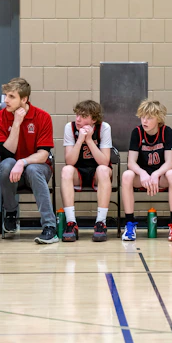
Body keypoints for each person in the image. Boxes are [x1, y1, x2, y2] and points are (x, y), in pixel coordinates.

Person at [0, 77, 58, 244]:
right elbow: (7, 153)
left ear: (24, 99)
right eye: (6, 95)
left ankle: (50, 227)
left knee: (33, 169)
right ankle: (11, 212)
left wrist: (23, 162)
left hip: (37, 169)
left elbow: (43, 155)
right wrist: (17, 123)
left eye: (11, 96)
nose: (6, 100)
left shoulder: (43, 117)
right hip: (11, 172)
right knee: (7, 164)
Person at [121, 99, 172, 241]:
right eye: (143, 117)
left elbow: (170, 162)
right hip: (142, 178)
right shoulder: (137, 132)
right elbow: (131, 162)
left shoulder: (167, 132)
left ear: (158, 119)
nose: (144, 121)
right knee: (127, 175)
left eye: (149, 118)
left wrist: (156, 174)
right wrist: (142, 173)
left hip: (160, 176)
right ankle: (129, 224)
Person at [60, 100, 113, 242]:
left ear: (93, 119)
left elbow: (104, 161)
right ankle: (71, 223)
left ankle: (100, 222)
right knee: (66, 170)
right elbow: (69, 161)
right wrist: (79, 140)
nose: (78, 119)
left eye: (83, 116)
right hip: (78, 171)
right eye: (77, 114)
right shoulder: (70, 128)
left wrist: (89, 140)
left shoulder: (104, 128)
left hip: (98, 173)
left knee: (102, 169)